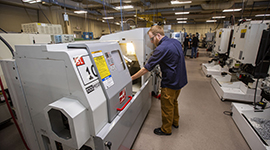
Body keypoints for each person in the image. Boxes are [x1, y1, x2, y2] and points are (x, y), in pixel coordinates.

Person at [131, 25, 188, 136]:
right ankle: (175, 122)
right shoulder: (175, 42)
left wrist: (131, 78)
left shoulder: (161, 48)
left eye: (152, 39)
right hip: (180, 80)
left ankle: (166, 129)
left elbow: (146, 69)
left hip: (170, 82)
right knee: (174, 102)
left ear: (158, 35)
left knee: (166, 106)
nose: (152, 42)